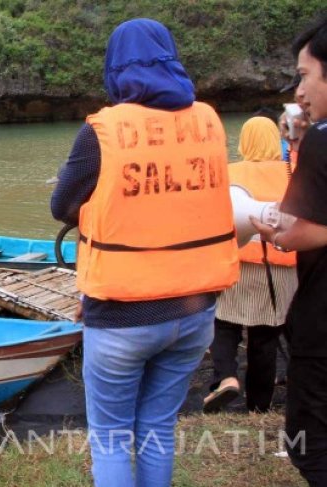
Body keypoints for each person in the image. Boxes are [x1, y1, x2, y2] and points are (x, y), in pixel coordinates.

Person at [51, 18, 239, 486]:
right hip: (197, 313)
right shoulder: (209, 121)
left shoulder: (102, 130)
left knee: (112, 436)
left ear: (115, 68)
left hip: (122, 318)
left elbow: (63, 206)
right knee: (157, 425)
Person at [251, 16, 327, 486]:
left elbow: (301, 231)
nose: (299, 91)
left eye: (304, 75)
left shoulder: (323, 137)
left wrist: (271, 228)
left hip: (322, 319)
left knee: (310, 442)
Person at [203, 116, 297, 413]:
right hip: (283, 269)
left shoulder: (229, 172)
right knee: (265, 337)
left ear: (244, 142)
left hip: (237, 263)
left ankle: (225, 378)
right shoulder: (294, 174)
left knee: (224, 322)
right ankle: (259, 406)